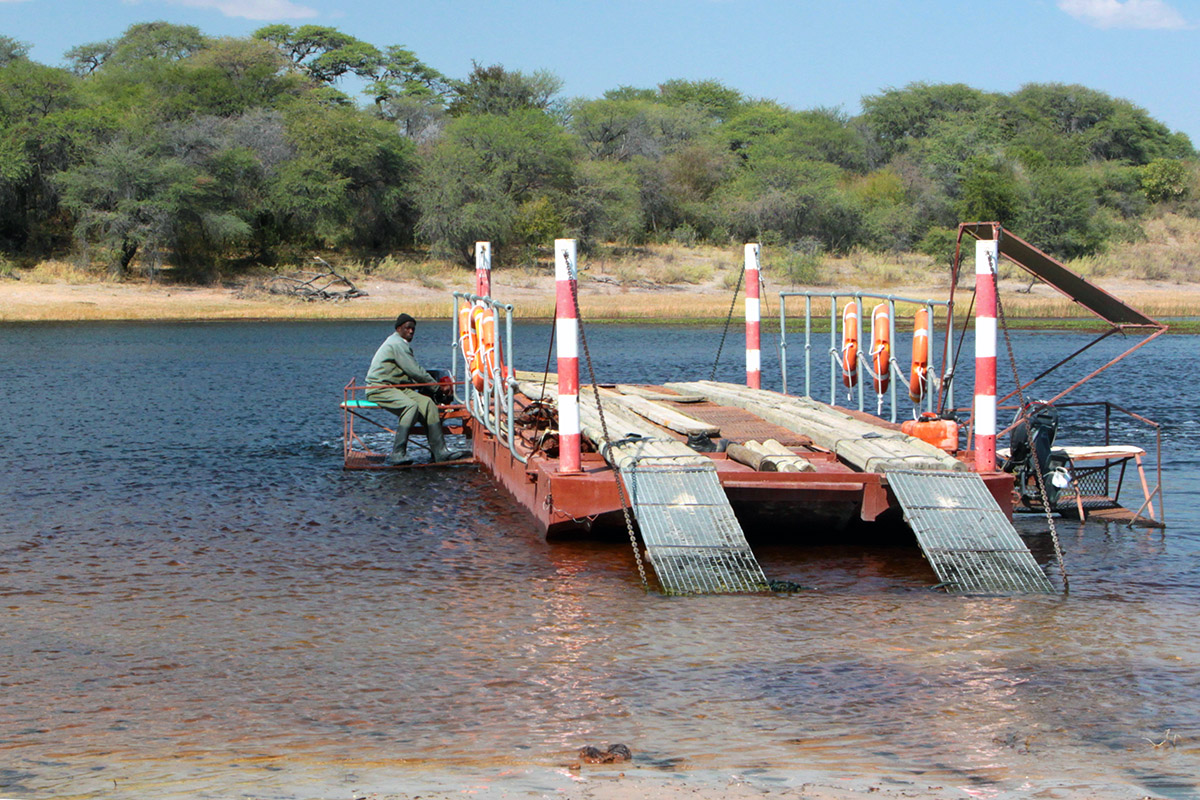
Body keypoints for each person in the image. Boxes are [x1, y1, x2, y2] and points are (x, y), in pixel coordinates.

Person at [366, 314, 471, 466]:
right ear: (398, 329)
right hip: (379, 388)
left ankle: (440, 452)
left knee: (428, 404)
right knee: (411, 407)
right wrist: (436, 388)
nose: (411, 331)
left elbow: (411, 373)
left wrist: (430, 388)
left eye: (413, 329)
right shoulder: (397, 344)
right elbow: (414, 371)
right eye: (407, 328)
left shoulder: (401, 344)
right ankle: (397, 453)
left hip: (397, 387)